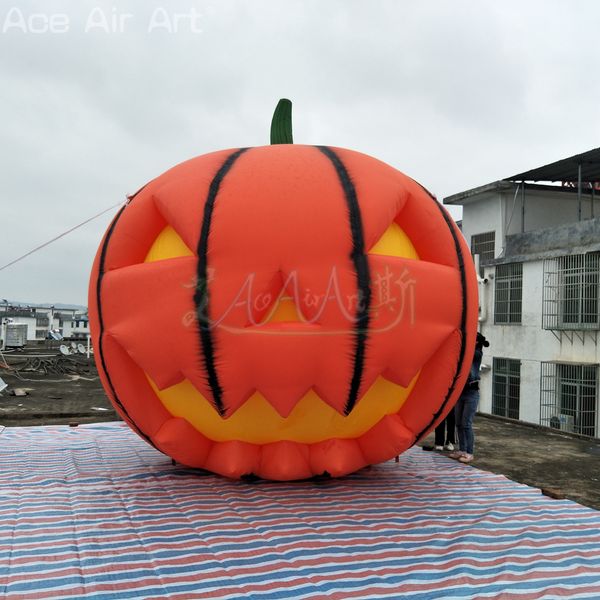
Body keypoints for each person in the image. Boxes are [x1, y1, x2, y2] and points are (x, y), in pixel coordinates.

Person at [449, 332, 489, 464]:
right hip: (461, 392)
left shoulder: (477, 353)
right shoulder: (468, 352)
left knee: (466, 424)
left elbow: (466, 353)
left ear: (476, 342)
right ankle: (462, 450)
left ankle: (469, 452)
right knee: (459, 423)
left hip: (471, 393)